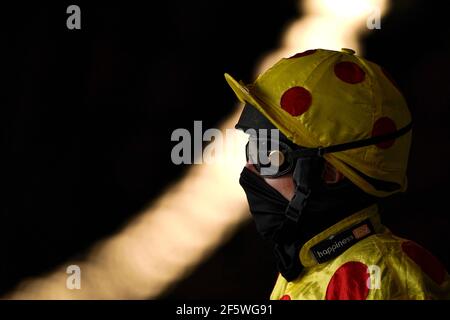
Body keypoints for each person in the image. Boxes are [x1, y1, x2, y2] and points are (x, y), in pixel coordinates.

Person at [224, 48, 450, 300]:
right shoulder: (303, 268)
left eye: (270, 154)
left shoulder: (385, 276)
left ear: (329, 172)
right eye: (252, 148)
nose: (250, 168)